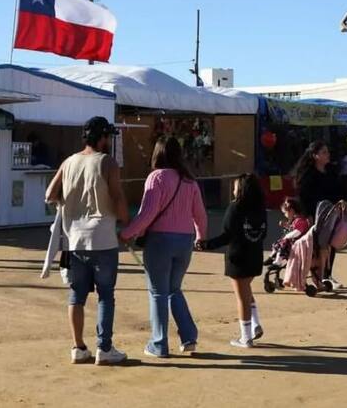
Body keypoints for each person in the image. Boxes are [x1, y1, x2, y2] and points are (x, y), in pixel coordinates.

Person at [45, 116, 130, 365]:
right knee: (105, 295)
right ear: (102, 137)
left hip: (74, 241)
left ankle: (78, 347)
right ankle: (104, 348)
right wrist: (127, 222)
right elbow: (117, 196)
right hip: (102, 238)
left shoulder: (69, 161)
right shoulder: (107, 163)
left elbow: (50, 194)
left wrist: (67, 201)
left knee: (76, 296)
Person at [119, 136, 207, 358]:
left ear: (157, 154)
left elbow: (147, 214)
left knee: (158, 292)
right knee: (174, 289)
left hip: (160, 241)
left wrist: (127, 233)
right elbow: (200, 215)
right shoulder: (190, 181)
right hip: (185, 241)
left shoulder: (156, 177)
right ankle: (189, 337)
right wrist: (200, 236)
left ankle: (159, 343)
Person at [197, 174, 268, 348]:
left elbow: (226, 236)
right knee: (247, 290)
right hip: (255, 257)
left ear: (241, 189)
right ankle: (255, 324)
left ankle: (245, 337)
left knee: (241, 298)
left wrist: (207, 244)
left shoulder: (235, 208)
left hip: (238, 259)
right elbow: (263, 234)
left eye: (236, 186)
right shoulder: (260, 208)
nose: (234, 189)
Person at [294, 140, 344, 289]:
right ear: (315, 155)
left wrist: (342, 202)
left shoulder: (331, 172)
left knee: (331, 244)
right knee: (316, 248)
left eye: (327, 152)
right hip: (314, 216)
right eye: (324, 152)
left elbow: (339, 190)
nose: (328, 155)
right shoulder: (307, 175)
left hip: (331, 213)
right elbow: (302, 197)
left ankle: (327, 276)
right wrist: (307, 215)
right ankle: (317, 276)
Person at [264, 197, 311, 267]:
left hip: (298, 244)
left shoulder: (300, 220)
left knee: (283, 243)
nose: (284, 215)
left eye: (285, 213)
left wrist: (287, 236)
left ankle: (278, 261)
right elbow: (292, 229)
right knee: (279, 243)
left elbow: (297, 232)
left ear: (291, 211)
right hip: (294, 242)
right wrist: (285, 225)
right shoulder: (296, 220)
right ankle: (272, 257)